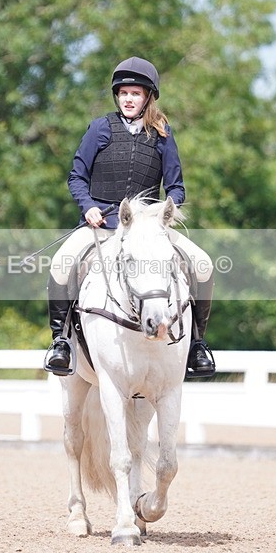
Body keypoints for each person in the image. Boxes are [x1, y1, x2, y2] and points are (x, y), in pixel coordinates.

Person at [44, 56, 215, 379]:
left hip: (147, 229)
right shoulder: (100, 128)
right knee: (61, 264)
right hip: (102, 224)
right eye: (123, 93)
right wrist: (88, 206)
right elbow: (76, 177)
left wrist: (164, 212)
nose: (128, 99)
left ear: (148, 97)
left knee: (203, 264)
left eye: (135, 94)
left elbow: (176, 188)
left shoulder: (162, 134)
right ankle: (61, 342)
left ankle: (197, 344)